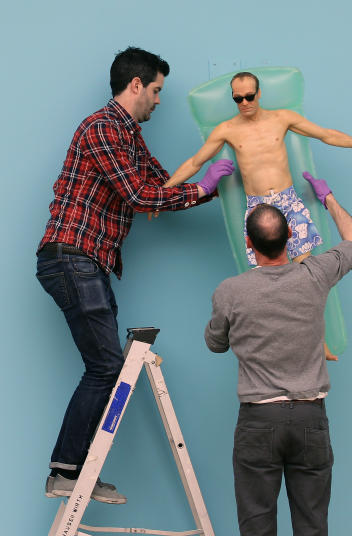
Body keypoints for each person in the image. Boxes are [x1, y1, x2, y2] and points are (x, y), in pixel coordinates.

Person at [37, 47, 231, 504]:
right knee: (106, 367)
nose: (159, 101)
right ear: (137, 84)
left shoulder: (130, 137)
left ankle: (74, 471)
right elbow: (140, 197)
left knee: (107, 366)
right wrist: (200, 187)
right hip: (71, 256)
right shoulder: (103, 127)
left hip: (90, 262)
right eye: (158, 90)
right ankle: (65, 471)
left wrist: (214, 187)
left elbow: (160, 186)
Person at [205, 172, 352, 536]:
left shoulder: (230, 291)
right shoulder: (316, 274)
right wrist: (328, 198)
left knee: (257, 528)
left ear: (250, 242)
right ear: (291, 237)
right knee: (312, 527)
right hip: (310, 418)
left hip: (258, 422)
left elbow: (216, 344)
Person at [163, 71, 352, 267]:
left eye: (249, 96)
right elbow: (195, 162)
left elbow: (326, 135)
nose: (244, 103)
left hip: (289, 201)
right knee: (270, 275)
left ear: (259, 93)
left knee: (306, 269)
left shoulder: (282, 118)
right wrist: (164, 194)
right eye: (238, 99)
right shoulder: (226, 130)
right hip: (258, 208)